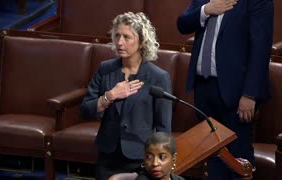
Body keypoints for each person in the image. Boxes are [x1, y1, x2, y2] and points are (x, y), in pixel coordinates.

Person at [177, 0, 273, 179]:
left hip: (238, 93)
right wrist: (206, 10)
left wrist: (250, 94)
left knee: (239, 158)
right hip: (204, 87)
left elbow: (261, 47)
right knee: (214, 155)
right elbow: (182, 24)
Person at [80, 12, 173, 180]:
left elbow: (163, 127)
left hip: (140, 157)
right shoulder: (105, 69)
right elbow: (86, 110)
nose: (120, 42)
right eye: (117, 36)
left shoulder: (158, 77)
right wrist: (109, 96)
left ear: (142, 41)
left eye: (127, 37)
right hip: (107, 154)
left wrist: (160, 163)